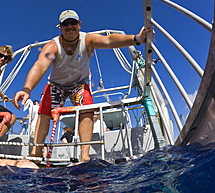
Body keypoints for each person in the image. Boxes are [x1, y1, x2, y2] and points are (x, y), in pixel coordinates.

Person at [12, 9, 152, 162]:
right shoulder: (53, 45)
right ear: (60, 27)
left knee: (87, 109)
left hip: (79, 84)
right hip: (56, 85)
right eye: (66, 24)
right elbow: (40, 65)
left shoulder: (87, 40)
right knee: (44, 113)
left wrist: (137, 39)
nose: (70, 26)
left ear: (79, 25)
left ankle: (84, 156)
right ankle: (36, 153)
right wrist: (27, 89)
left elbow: (109, 40)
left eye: (73, 23)